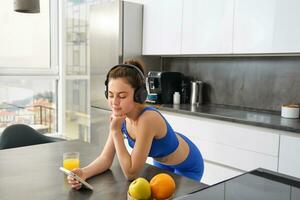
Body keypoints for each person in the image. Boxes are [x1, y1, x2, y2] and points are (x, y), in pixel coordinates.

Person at [68, 60, 204, 189]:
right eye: (110, 95)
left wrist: (116, 132)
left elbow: (131, 174)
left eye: (122, 96)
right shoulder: (120, 117)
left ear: (139, 95)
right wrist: (83, 173)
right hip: (162, 161)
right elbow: (105, 158)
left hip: (188, 165)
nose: (114, 102)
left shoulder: (148, 119)